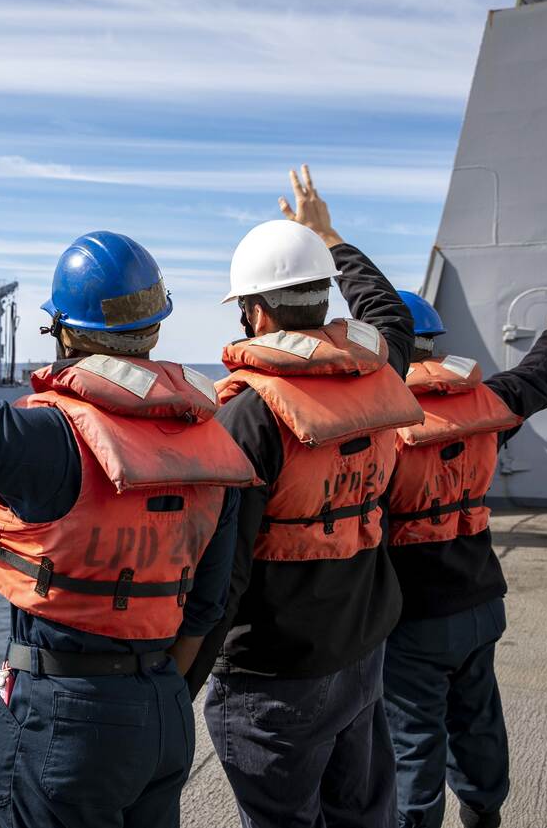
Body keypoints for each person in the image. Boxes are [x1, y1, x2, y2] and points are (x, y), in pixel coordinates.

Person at [0, 190, 257, 828]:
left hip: (64, 718)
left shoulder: (48, 440)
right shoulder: (213, 449)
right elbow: (205, 609)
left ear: (62, 331)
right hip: (163, 712)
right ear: (154, 327)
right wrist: (151, 695)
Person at [188, 166, 424, 828]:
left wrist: (177, 684)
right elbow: (390, 317)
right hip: (362, 656)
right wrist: (330, 237)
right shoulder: (378, 374)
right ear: (323, 299)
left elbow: (222, 575)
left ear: (255, 313)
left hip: (275, 679)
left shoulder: (248, 416)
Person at [382, 290, 547, 828]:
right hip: (480, 604)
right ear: (434, 343)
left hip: (413, 619)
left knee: (413, 739)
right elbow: (535, 380)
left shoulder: (379, 424)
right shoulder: (487, 404)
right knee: (478, 722)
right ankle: (483, 813)